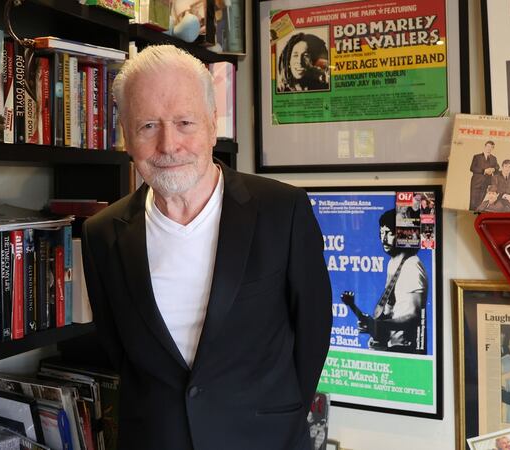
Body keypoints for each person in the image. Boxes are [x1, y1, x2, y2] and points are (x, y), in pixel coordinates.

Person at [81, 45, 332, 450]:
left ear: (213, 125)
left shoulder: (282, 211)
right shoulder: (101, 234)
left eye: (185, 122)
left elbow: (313, 332)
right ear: (125, 134)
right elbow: (119, 350)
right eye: (147, 126)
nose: (168, 145)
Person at [355, 209, 428, 353]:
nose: (383, 239)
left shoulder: (411, 265)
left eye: (389, 233)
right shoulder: (393, 263)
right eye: (382, 233)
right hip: (392, 346)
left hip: (405, 349)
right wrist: (374, 326)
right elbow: (391, 308)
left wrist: (377, 326)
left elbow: (412, 317)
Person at [469, 141, 500, 210]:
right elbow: (472, 168)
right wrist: (484, 171)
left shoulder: (493, 158)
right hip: (476, 182)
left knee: (481, 202)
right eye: (488, 146)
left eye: (491, 147)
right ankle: (471, 215)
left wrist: (493, 169)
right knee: (473, 201)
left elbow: (497, 167)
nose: (489, 148)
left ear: (493, 148)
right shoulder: (477, 157)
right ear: (485, 146)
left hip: (486, 183)